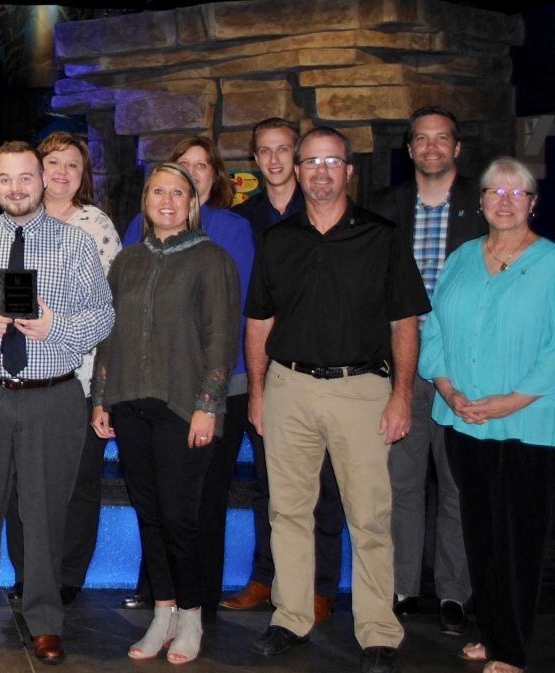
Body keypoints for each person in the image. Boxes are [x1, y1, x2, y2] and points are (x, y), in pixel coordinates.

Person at [246, 127, 429, 673]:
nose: (320, 171)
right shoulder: (279, 241)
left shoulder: (383, 236)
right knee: (288, 510)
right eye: (310, 162)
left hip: (362, 391)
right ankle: (291, 615)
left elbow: (404, 322)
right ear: (296, 171)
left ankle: (377, 629)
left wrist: (400, 395)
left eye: (332, 161)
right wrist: (257, 391)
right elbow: (259, 320)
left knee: (369, 515)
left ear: (349, 170)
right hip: (289, 388)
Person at [0, 141, 114, 665]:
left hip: (51, 399)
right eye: (6, 179)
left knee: (45, 516)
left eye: (26, 178)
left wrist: (60, 328)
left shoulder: (75, 246)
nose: (16, 188)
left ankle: (45, 623)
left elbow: (103, 317)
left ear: (43, 180)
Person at [91, 162, 239, 664]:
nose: (169, 200)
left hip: (183, 408)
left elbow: (221, 340)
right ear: (146, 201)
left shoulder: (213, 260)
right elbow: (107, 337)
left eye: (180, 193)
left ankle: (192, 616)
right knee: (150, 516)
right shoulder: (127, 262)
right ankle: (163, 612)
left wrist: (208, 408)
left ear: (194, 204)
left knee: (182, 518)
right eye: (159, 191)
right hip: (130, 404)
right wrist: (100, 398)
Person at [419, 157, 555, 673]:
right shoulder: (459, 259)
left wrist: (513, 400)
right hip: (463, 419)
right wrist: (450, 392)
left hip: (528, 423)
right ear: (479, 202)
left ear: (533, 203)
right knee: (479, 533)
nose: (504, 200)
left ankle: (514, 650)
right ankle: (494, 634)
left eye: (516, 193)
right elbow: (434, 331)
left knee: (518, 537)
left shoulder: (550, 263)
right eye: (494, 192)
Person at [120, 137, 255, 620]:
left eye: (200, 168)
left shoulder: (225, 240)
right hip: (143, 391)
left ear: (206, 185)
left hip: (205, 390)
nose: (175, 192)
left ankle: (196, 605)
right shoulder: (135, 242)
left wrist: (210, 398)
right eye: (179, 170)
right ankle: (162, 602)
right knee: (154, 507)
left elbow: (223, 324)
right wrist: (104, 395)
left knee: (194, 506)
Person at [222, 118, 344, 624]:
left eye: (283, 150)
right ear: (254, 160)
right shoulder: (240, 219)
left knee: (323, 483)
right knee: (271, 483)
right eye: (264, 152)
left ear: (296, 156)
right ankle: (267, 578)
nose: (273, 160)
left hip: (316, 361)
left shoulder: (322, 210)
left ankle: (319, 586)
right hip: (261, 363)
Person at [370, 106, 481, 633]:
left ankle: (455, 594)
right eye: (422, 139)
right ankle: (403, 586)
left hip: (465, 369)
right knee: (402, 481)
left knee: (458, 484)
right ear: (409, 149)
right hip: (403, 366)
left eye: (442, 139)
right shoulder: (384, 207)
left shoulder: (484, 207)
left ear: (457, 148)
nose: (432, 147)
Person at [5, 131, 121, 606]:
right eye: (52, 162)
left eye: (72, 165)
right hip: (20, 376)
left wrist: (103, 391)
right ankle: (29, 574)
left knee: (78, 482)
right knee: (20, 483)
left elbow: (110, 311)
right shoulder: (14, 223)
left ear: (83, 175)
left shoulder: (97, 227)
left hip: (81, 377)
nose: (61, 173)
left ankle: (68, 574)